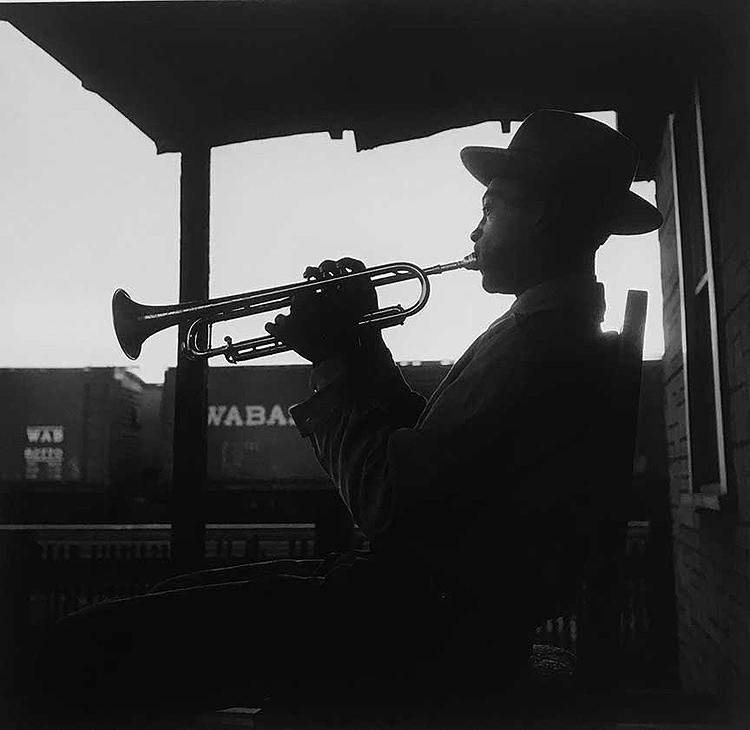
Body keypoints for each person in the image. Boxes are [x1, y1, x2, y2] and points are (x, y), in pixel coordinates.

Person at [32, 110, 662, 720]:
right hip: (423, 610)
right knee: (164, 603)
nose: (474, 232)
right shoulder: (552, 332)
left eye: (490, 208)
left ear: (543, 212)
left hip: (420, 629)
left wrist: (334, 360)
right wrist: (363, 346)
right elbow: (432, 457)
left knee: (81, 648)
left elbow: (387, 503)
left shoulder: (542, 345)